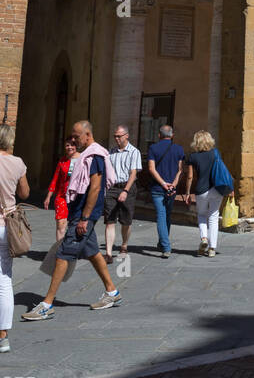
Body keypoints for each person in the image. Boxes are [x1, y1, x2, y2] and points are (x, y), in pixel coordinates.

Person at [22, 119, 121, 321]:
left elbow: (95, 188)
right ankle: (112, 292)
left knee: (63, 253)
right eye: (73, 137)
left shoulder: (94, 156)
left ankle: (47, 304)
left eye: (77, 136)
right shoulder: (88, 154)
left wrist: (85, 218)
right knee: (92, 252)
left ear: (87, 134)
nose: (74, 140)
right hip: (81, 212)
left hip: (84, 214)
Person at [0, 124, 30, 353]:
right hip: (7, 227)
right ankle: (3, 336)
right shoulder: (18, 163)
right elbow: (25, 194)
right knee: (4, 279)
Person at [181, 130, 233, 257]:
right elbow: (222, 170)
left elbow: (190, 177)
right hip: (216, 189)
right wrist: (231, 187)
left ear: (196, 142)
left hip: (201, 190)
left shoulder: (193, 157)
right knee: (214, 217)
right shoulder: (216, 153)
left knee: (202, 215)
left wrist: (187, 193)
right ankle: (212, 248)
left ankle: (204, 238)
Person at [105, 124, 142, 263]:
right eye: (115, 136)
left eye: (119, 136)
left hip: (128, 187)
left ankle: (124, 245)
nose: (116, 138)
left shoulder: (134, 152)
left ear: (126, 135)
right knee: (109, 220)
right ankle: (108, 253)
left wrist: (125, 190)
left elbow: (133, 173)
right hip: (113, 188)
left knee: (126, 221)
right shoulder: (111, 152)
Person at [147, 124, 185, 258]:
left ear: (159, 135)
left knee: (162, 216)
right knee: (167, 215)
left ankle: (165, 246)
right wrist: (173, 185)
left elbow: (151, 169)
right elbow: (181, 170)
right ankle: (164, 242)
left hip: (158, 188)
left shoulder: (153, 148)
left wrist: (163, 183)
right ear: (172, 135)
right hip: (171, 190)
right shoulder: (179, 149)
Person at [44, 136, 77, 242]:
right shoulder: (62, 161)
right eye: (67, 145)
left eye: (72, 145)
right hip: (62, 196)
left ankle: (71, 249)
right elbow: (55, 180)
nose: (70, 147)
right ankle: (59, 251)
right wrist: (48, 197)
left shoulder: (81, 159)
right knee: (60, 225)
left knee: (74, 226)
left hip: (76, 197)